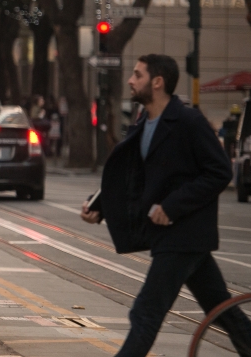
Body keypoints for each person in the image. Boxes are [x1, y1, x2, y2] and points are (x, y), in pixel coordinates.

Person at [82, 54, 251, 357]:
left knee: (146, 312)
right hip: (175, 238)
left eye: (137, 75)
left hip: (183, 234)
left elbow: (220, 171)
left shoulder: (188, 122)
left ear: (157, 82)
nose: (131, 81)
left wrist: (173, 206)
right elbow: (134, 176)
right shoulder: (144, 123)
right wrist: (101, 206)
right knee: (223, 311)